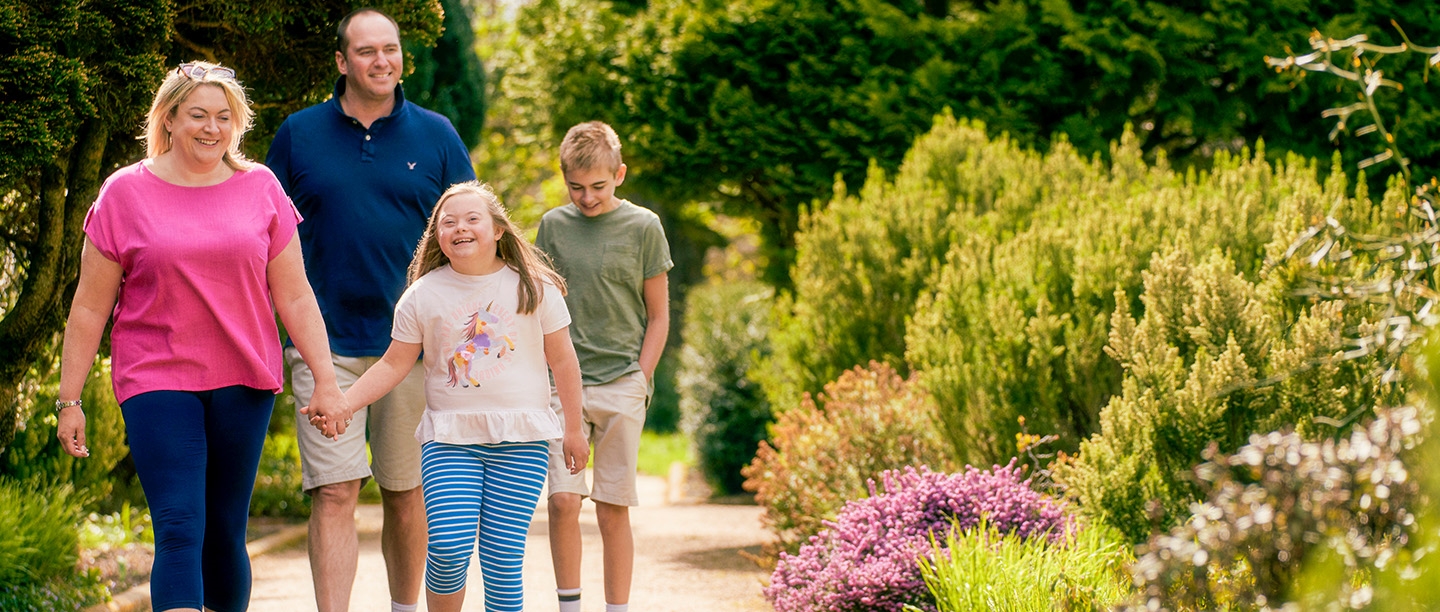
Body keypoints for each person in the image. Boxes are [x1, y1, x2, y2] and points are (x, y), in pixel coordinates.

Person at [54, 61, 348, 612]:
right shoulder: (124, 193)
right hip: (156, 376)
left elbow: (296, 296)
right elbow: (90, 306)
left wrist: (326, 382)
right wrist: (71, 399)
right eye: (197, 115)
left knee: (224, 531)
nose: (211, 128)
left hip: (244, 377)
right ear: (168, 119)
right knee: (180, 524)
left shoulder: (260, 187)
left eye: (223, 117)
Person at [264, 8, 476, 612]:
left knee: (407, 492)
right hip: (323, 348)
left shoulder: (436, 135)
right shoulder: (298, 136)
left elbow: (472, 232)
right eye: (366, 51)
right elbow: (264, 236)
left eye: (391, 49)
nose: (382, 61)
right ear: (341, 62)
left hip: (412, 348)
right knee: (334, 490)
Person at [303, 181, 589, 612]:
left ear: (498, 230)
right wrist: (345, 402)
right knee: (449, 547)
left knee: (503, 561)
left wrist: (573, 429)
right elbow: (393, 364)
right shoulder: (423, 295)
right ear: (436, 236)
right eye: (447, 222)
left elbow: (564, 362)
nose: (460, 228)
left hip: (522, 442)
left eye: (472, 219)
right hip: (450, 443)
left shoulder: (535, 287)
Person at [537, 121, 673, 612]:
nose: (587, 197)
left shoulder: (644, 227)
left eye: (597, 186)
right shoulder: (553, 226)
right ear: (564, 177)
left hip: (621, 384)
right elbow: (542, 307)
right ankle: (569, 605)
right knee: (562, 501)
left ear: (619, 174)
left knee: (614, 508)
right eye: (576, 187)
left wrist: (641, 377)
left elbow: (658, 314)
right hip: (563, 386)